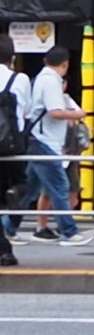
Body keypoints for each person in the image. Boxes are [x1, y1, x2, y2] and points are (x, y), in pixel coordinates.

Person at [16, 47, 90, 246]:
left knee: (29, 189)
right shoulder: (50, 81)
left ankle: (9, 227)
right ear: (65, 64)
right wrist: (78, 114)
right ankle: (69, 231)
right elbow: (55, 112)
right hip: (45, 142)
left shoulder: (42, 78)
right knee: (60, 187)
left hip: (39, 141)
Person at [0, 35, 22, 266]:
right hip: (11, 147)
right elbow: (24, 114)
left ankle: (4, 248)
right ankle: (14, 192)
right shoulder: (20, 79)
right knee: (23, 182)